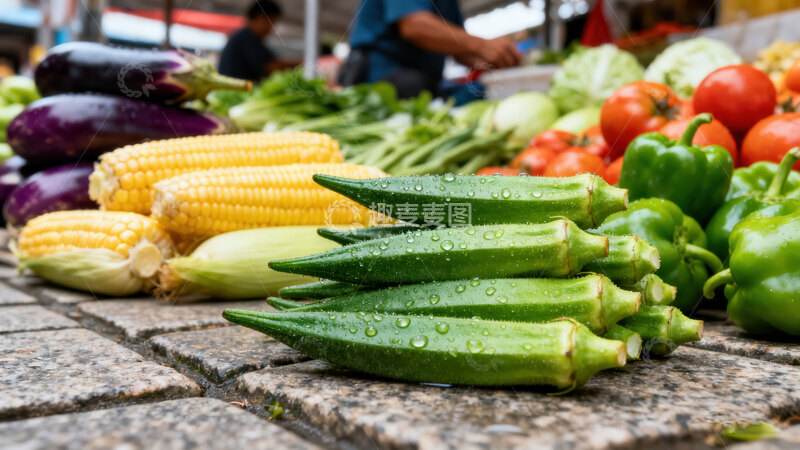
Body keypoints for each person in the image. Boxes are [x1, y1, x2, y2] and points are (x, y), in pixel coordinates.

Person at [341, 0, 522, 98]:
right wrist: (483, 45)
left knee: (480, 94)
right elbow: (413, 26)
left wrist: (494, 58)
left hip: (424, 83)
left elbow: (460, 51)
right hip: (381, 80)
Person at [218, 0, 299, 81]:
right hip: (234, 90)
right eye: (271, 24)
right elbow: (272, 67)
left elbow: (273, 61)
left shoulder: (245, 37)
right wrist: (302, 64)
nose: (270, 30)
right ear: (261, 18)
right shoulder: (247, 38)